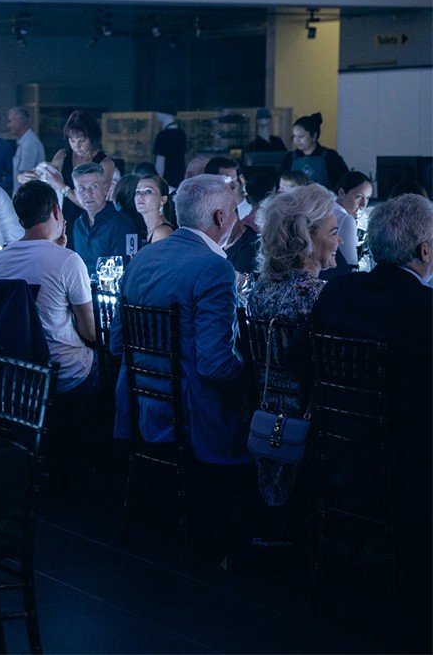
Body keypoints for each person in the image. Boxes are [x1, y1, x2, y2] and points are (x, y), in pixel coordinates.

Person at [294, 194, 432, 650]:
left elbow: (299, 360)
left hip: (333, 452)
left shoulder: (338, 291)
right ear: (425, 251)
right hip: (406, 467)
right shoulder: (423, 311)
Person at [113, 174, 245, 464]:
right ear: (221, 217)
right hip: (190, 415)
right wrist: (252, 379)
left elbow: (116, 344)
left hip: (136, 405)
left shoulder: (142, 258)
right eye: (235, 211)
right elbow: (214, 365)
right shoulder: (214, 267)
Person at [245, 184, 339, 507]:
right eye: (334, 232)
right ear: (306, 239)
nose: (340, 240)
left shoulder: (260, 289)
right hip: (312, 422)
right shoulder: (315, 296)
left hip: (266, 409)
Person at [0, 181, 98, 396]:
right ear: (56, 211)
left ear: (20, 218)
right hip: (65, 372)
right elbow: (90, 333)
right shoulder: (68, 260)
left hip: (18, 370)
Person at [22, 110, 117, 226]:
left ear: (92, 138)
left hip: (92, 223)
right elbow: (44, 174)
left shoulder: (105, 163)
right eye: (72, 140)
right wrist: (23, 177)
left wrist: (62, 187)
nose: (77, 146)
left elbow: (96, 204)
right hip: (64, 221)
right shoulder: (63, 156)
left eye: (82, 140)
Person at [66, 162, 138, 277]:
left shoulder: (123, 224)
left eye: (94, 187)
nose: (88, 194)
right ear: (75, 193)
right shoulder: (78, 224)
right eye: (82, 189)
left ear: (106, 189)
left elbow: (128, 268)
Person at [279, 112, 349, 191]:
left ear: (314, 136)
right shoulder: (290, 158)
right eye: (294, 136)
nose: (296, 140)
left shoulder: (330, 156)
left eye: (301, 136)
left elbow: (344, 183)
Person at [331, 170, 372, 271]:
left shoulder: (327, 209)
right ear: (341, 193)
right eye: (358, 197)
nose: (363, 204)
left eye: (367, 198)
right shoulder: (346, 219)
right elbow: (352, 266)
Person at [7, 107, 45, 186]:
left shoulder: (29, 143)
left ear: (19, 122)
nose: (8, 125)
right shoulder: (23, 142)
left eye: (10, 121)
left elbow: (25, 177)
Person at [134, 174, 176, 244]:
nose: (140, 196)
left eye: (148, 191)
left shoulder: (162, 232)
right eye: (137, 192)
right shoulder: (151, 231)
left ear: (163, 200)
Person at [153, 105, 188, 188]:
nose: (156, 115)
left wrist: (158, 181)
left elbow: (160, 161)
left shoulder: (162, 135)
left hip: (166, 179)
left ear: (163, 114)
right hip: (179, 177)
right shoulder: (181, 134)